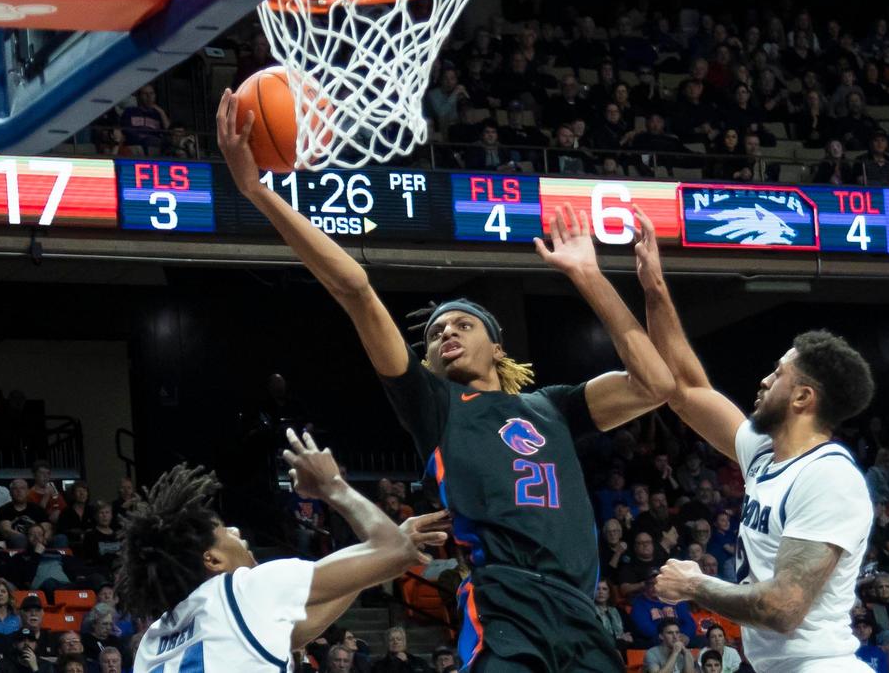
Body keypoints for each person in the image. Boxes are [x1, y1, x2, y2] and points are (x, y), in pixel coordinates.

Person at [217, 88, 674, 672]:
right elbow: (355, 288)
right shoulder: (433, 401)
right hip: (505, 604)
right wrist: (257, 191)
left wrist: (589, 276)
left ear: (497, 344)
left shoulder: (550, 406)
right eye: (434, 334)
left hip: (582, 611)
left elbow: (655, 384)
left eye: (461, 324)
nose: (444, 335)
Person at [637, 207, 877, 671]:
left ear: (803, 397)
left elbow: (783, 608)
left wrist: (695, 584)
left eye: (778, 373)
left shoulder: (828, 478)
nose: (764, 381)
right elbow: (687, 392)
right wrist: (655, 289)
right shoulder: (767, 454)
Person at [126, 431, 449, 672]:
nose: (237, 532)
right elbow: (393, 550)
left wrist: (371, 566)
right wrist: (332, 485)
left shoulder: (153, 642)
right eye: (225, 529)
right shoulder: (242, 589)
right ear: (212, 559)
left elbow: (292, 633)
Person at [0, 480, 50, 550]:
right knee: (19, 539)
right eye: (15, 489)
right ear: (10, 493)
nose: (19, 491)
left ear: (28, 492)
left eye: (22, 488)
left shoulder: (38, 509)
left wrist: (41, 538)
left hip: (38, 541)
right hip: (16, 543)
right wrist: (29, 538)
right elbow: (6, 530)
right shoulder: (4, 509)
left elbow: (47, 528)